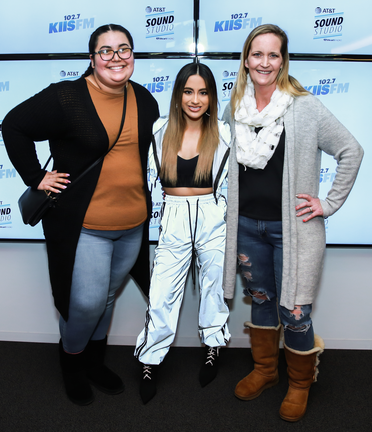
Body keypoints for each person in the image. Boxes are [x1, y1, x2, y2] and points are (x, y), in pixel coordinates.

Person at [1, 24, 159, 406]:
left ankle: (93, 362)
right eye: (106, 51)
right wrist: (37, 177)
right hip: (84, 225)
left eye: (124, 49)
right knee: (85, 303)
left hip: (133, 224)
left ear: (133, 57)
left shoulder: (145, 99)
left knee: (105, 297)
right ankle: (71, 363)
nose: (116, 58)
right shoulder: (67, 97)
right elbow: (14, 125)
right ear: (91, 58)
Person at [222, 24, 363, 422]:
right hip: (247, 227)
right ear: (246, 60)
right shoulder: (235, 107)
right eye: (257, 54)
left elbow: (351, 150)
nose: (264, 62)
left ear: (283, 60)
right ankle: (266, 371)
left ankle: (300, 383)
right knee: (263, 301)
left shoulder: (305, 106)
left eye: (273, 54)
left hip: (295, 232)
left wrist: (328, 203)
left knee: (296, 311)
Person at [134, 62, 231, 404]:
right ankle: (149, 359)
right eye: (188, 91)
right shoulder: (159, 131)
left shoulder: (224, 132)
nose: (195, 99)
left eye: (203, 92)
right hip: (173, 216)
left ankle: (213, 346)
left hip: (212, 215)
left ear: (211, 97)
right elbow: (145, 182)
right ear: (177, 96)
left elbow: (232, 186)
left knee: (213, 285)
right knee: (161, 292)